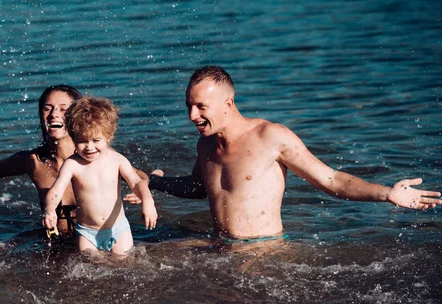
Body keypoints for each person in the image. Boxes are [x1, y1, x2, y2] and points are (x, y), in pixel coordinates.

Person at [148, 65, 441, 241]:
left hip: (262, 252)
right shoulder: (206, 144)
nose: (191, 116)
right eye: (188, 106)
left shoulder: (271, 137)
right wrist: (151, 182)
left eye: (200, 106)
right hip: (219, 245)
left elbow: (331, 180)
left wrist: (386, 193)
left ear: (228, 104)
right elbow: (198, 187)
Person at [43, 96, 158, 255]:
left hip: (118, 229)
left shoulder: (117, 160)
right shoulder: (72, 164)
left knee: (124, 263)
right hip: (87, 232)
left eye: (96, 140)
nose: (89, 147)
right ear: (73, 138)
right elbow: (56, 190)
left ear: (108, 137)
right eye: (82, 141)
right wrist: (50, 210)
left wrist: (147, 201)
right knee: (92, 266)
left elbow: (137, 182)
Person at [0, 85, 82, 236]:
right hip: (53, 240)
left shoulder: (96, 158)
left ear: (78, 115)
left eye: (63, 109)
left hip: (92, 243)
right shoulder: (34, 161)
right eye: (47, 108)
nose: (54, 114)